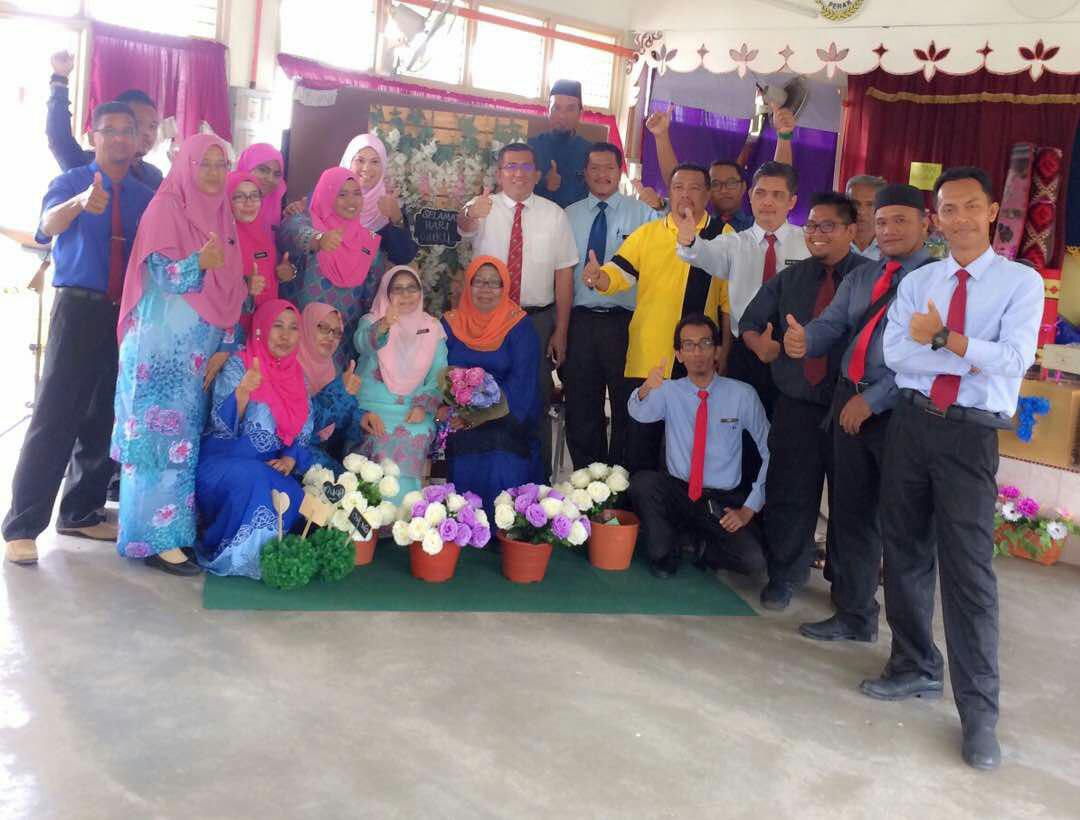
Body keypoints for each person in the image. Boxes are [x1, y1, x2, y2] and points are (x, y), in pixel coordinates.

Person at [865, 167, 1043, 771]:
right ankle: (913, 664)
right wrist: (967, 354)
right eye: (948, 209)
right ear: (936, 219)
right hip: (913, 425)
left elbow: (1014, 360)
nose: (960, 218)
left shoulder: (1020, 283)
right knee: (904, 551)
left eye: (971, 206)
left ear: (992, 212)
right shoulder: (922, 281)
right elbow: (896, 354)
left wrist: (944, 339)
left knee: (969, 573)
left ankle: (980, 715)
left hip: (970, 437)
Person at [4, 102, 155, 566]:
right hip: (77, 308)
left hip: (125, 314)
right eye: (109, 130)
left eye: (127, 130)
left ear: (138, 139)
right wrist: (80, 203)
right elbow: (45, 227)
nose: (119, 138)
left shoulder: (145, 195)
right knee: (55, 415)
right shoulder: (71, 182)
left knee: (106, 413)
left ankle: (82, 511)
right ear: (94, 137)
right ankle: (22, 526)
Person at [788, 184, 933, 639]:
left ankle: (911, 646)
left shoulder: (936, 281)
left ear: (926, 223)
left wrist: (872, 401)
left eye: (900, 220)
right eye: (882, 221)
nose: (888, 230)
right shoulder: (863, 276)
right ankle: (854, 614)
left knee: (902, 528)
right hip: (847, 403)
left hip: (899, 413)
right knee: (850, 514)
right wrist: (805, 340)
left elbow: (926, 360)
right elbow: (832, 325)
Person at [111, 134, 249, 576]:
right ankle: (151, 540)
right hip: (159, 352)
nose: (213, 173)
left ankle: (171, 532)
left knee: (182, 441)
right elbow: (162, 273)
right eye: (204, 163)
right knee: (157, 441)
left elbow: (232, 289)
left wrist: (225, 344)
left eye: (220, 164)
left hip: (196, 355)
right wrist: (198, 263)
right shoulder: (165, 208)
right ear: (186, 165)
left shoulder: (222, 216)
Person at [739, 192, 865, 610]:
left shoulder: (870, 278)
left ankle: (848, 590)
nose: (816, 233)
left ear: (851, 230)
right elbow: (750, 322)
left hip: (851, 409)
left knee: (851, 502)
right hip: (796, 404)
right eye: (811, 225)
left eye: (828, 225)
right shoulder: (791, 278)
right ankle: (785, 576)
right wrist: (761, 346)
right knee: (790, 495)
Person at [582, 163, 730, 474]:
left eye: (694, 188)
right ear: (669, 194)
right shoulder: (648, 233)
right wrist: (599, 277)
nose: (685, 195)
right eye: (678, 187)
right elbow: (619, 273)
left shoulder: (723, 237)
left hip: (698, 362)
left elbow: (727, 305)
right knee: (640, 449)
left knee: (690, 452)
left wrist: (724, 354)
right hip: (648, 360)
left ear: (707, 194)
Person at [457, 142, 578, 476]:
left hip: (535, 321)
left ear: (537, 175)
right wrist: (471, 214)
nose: (518, 173)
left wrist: (561, 331)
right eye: (511, 166)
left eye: (526, 167)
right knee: (482, 398)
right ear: (499, 173)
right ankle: (482, 478)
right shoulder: (482, 206)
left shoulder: (555, 215)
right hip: (487, 320)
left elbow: (564, 276)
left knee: (533, 401)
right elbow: (463, 227)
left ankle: (535, 483)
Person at [628, 314, 769, 579]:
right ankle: (670, 546)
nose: (697, 352)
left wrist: (748, 509)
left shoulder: (742, 394)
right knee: (643, 484)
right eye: (688, 345)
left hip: (720, 501)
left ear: (717, 350)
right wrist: (646, 388)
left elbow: (770, 451)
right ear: (679, 354)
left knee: (752, 561)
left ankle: (699, 547)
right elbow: (639, 413)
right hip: (678, 491)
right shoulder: (669, 390)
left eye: (705, 343)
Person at [674, 161, 809, 417]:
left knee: (788, 425)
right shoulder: (733, 243)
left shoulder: (808, 243)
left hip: (792, 350)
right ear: (750, 196)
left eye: (777, 195)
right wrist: (689, 241)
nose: (767, 202)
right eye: (761, 193)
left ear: (792, 201)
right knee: (739, 424)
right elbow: (702, 253)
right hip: (744, 351)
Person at [196, 300, 317, 580]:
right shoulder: (240, 363)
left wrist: (289, 458)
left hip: (266, 467)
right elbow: (220, 426)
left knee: (292, 491)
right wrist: (242, 393)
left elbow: (303, 430)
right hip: (222, 461)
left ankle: (269, 558)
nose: (285, 335)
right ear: (261, 329)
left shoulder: (298, 376)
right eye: (277, 326)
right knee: (255, 479)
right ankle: (239, 557)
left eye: (293, 328)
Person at [562, 141, 663, 469]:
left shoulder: (644, 214)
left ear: (620, 171)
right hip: (581, 322)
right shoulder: (569, 215)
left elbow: (673, 238)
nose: (602, 174)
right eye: (595, 168)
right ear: (584, 173)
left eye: (609, 167)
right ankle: (587, 482)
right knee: (581, 406)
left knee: (625, 404)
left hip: (626, 324)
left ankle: (619, 481)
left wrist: (660, 206)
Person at [441, 256, 542, 515]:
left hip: (508, 415)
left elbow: (523, 382)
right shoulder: (450, 324)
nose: (486, 289)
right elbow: (438, 372)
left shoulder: (519, 325)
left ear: (505, 287)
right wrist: (457, 411)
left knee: (499, 448)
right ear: (468, 285)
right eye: (479, 282)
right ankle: (464, 524)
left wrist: (480, 416)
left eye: (494, 283)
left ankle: (502, 524)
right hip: (460, 414)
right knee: (462, 440)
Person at [352, 266, 448, 504]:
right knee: (376, 437)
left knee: (415, 435)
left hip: (413, 409)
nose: (406, 295)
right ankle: (370, 512)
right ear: (386, 293)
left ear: (420, 292)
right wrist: (385, 324)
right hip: (372, 407)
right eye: (397, 289)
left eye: (411, 288)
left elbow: (439, 375)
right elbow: (362, 344)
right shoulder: (371, 320)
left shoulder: (432, 328)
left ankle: (406, 512)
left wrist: (423, 405)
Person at [279, 167, 381, 370]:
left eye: (357, 193)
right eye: (342, 194)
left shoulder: (369, 243)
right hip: (298, 342)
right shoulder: (305, 220)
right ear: (327, 195)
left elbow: (369, 299)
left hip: (341, 345)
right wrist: (319, 239)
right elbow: (290, 233)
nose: (352, 201)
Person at [644, 102, 796, 233]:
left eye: (731, 183)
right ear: (707, 191)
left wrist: (784, 136)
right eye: (716, 184)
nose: (724, 190)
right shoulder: (696, 221)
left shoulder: (756, 225)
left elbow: (779, 180)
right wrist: (661, 136)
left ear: (744, 188)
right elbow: (677, 181)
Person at [47, 50, 163, 190]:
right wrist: (59, 79)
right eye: (137, 124)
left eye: (153, 126)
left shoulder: (153, 177)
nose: (147, 133)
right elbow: (60, 138)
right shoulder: (87, 165)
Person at [297, 303, 365, 471]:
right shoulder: (289, 367)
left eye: (336, 332)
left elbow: (339, 419)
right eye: (323, 328)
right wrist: (340, 390)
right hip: (291, 453)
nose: (330, 337)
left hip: (318, 449)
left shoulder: (330, 369)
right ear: (307, 327)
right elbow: (304, 424)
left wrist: (362, 417)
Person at [228, 170, 297, 328]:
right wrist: (245, 286)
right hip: (233, 330)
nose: (249, 203)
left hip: (264, 325)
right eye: (239, 197)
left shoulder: (263, 237)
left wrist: (283, 273)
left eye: (254, 196)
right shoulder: (221, 240)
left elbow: (269, 280)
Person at [338, 133, 419, 265]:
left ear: (383, 166)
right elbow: (311, 235)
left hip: (372, 277)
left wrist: (396, 218)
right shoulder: (329, 196)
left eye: (375, 162)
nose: (367, 168)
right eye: (360, 160)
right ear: (348, 162)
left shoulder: (391, 202)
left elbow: (403, 257)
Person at [528, 79, 594, 209]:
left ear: (580, 114)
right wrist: (543, 183)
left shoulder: (591, 153)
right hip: (536, 217)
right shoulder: (530, 148)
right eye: (556, 108)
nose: (562, 116)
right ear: (548, 110)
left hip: (576, 219)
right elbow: (516, 187)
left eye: (570, 109)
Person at [236, 143, 288, 230]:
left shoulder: (274, 205)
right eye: (263, 170)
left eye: (276, 174)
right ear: (246, 167)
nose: (270, 179)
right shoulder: (227, 206)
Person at [846, 175, 888, 261]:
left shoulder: (894, 249)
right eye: (855, 203)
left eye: (870, 204)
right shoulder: (832, 245)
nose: (861, 211)